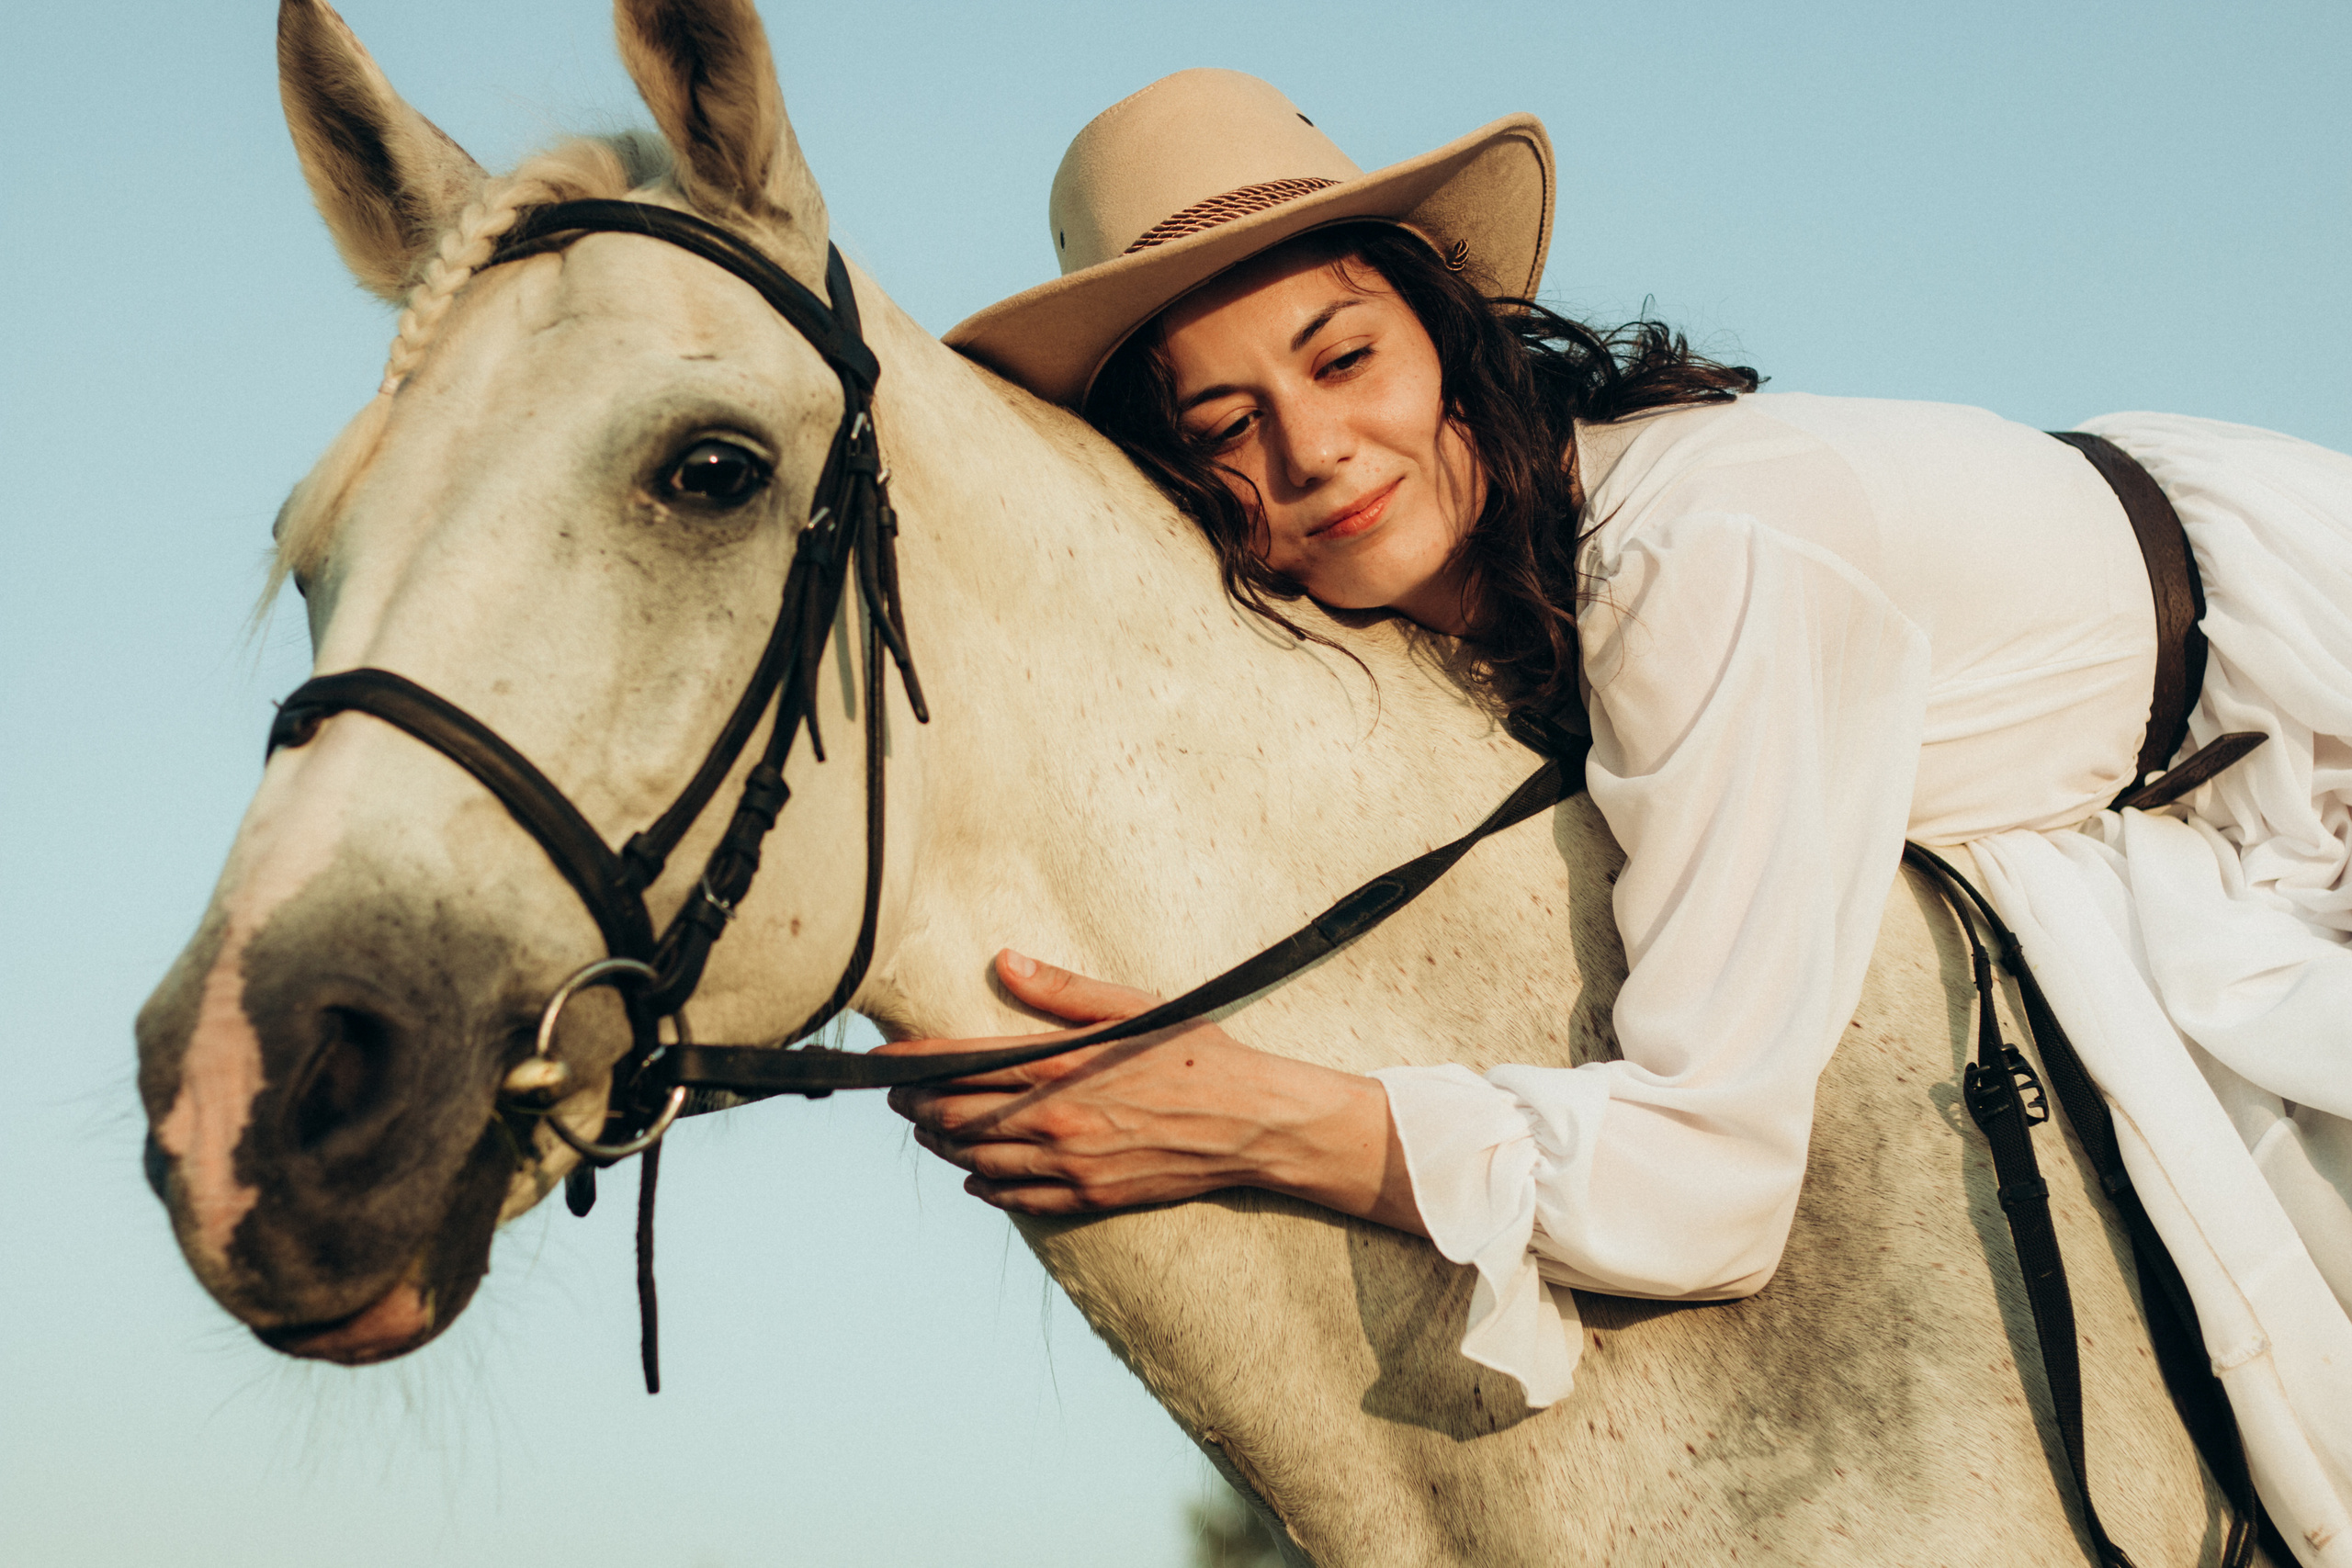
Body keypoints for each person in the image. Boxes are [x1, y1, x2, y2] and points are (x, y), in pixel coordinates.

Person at [889, 68, 2352, 1542]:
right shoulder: (1496, 611)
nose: (1312, 450)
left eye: (1345, 359)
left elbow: (1716, 1184)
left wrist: (1253, 1119)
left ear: (1449, 335)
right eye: (1224, 426)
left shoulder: (1695, 561)